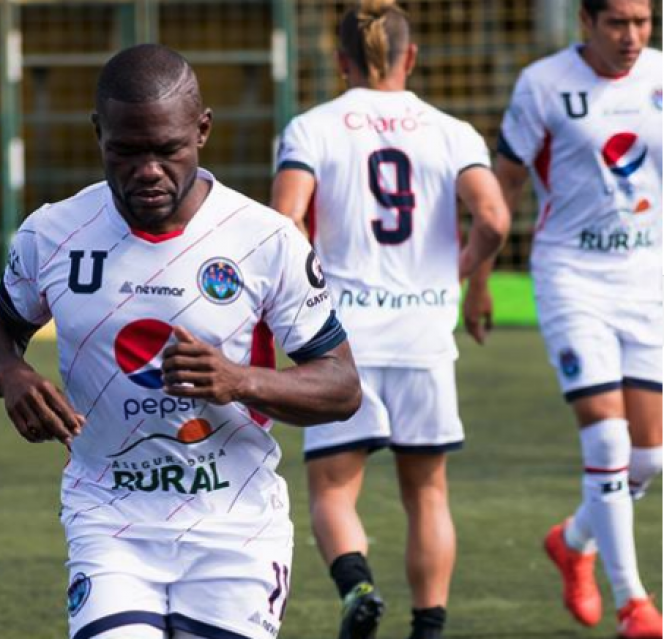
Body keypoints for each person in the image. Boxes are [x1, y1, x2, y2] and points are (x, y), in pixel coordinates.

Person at [0, 43, 363, 639]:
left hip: (235, 527)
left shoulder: (264, 240)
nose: (147, 170)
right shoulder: (53, 233)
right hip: (110, 517)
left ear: (202, 131)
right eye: (126, 151)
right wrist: (12, 376)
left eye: (167, 150)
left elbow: (342, 386)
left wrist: (240, 381)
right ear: (98, 133)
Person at [270, 2, 510, 638]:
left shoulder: (312, 128)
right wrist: (458, 276)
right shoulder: (452, 131)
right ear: (411, 57)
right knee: (427, 492)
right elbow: (494, 218)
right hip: (423, 336)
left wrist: (299, 299)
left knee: (332, 489)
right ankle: (427, 629)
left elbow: (286, 217)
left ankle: (358, 586)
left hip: (342, 342)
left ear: (341, 61)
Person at [468, 0, 663, 637]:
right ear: (586, 21)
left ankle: (574, 539)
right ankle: (634, 602)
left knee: (649, 459)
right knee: (606, 440)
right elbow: (506, 186)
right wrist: (479, 276)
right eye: (618, 23)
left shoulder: (660, 77)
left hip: (647, 281)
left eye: (644, 21)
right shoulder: (544, 84)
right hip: (571, 277)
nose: (632, 36)